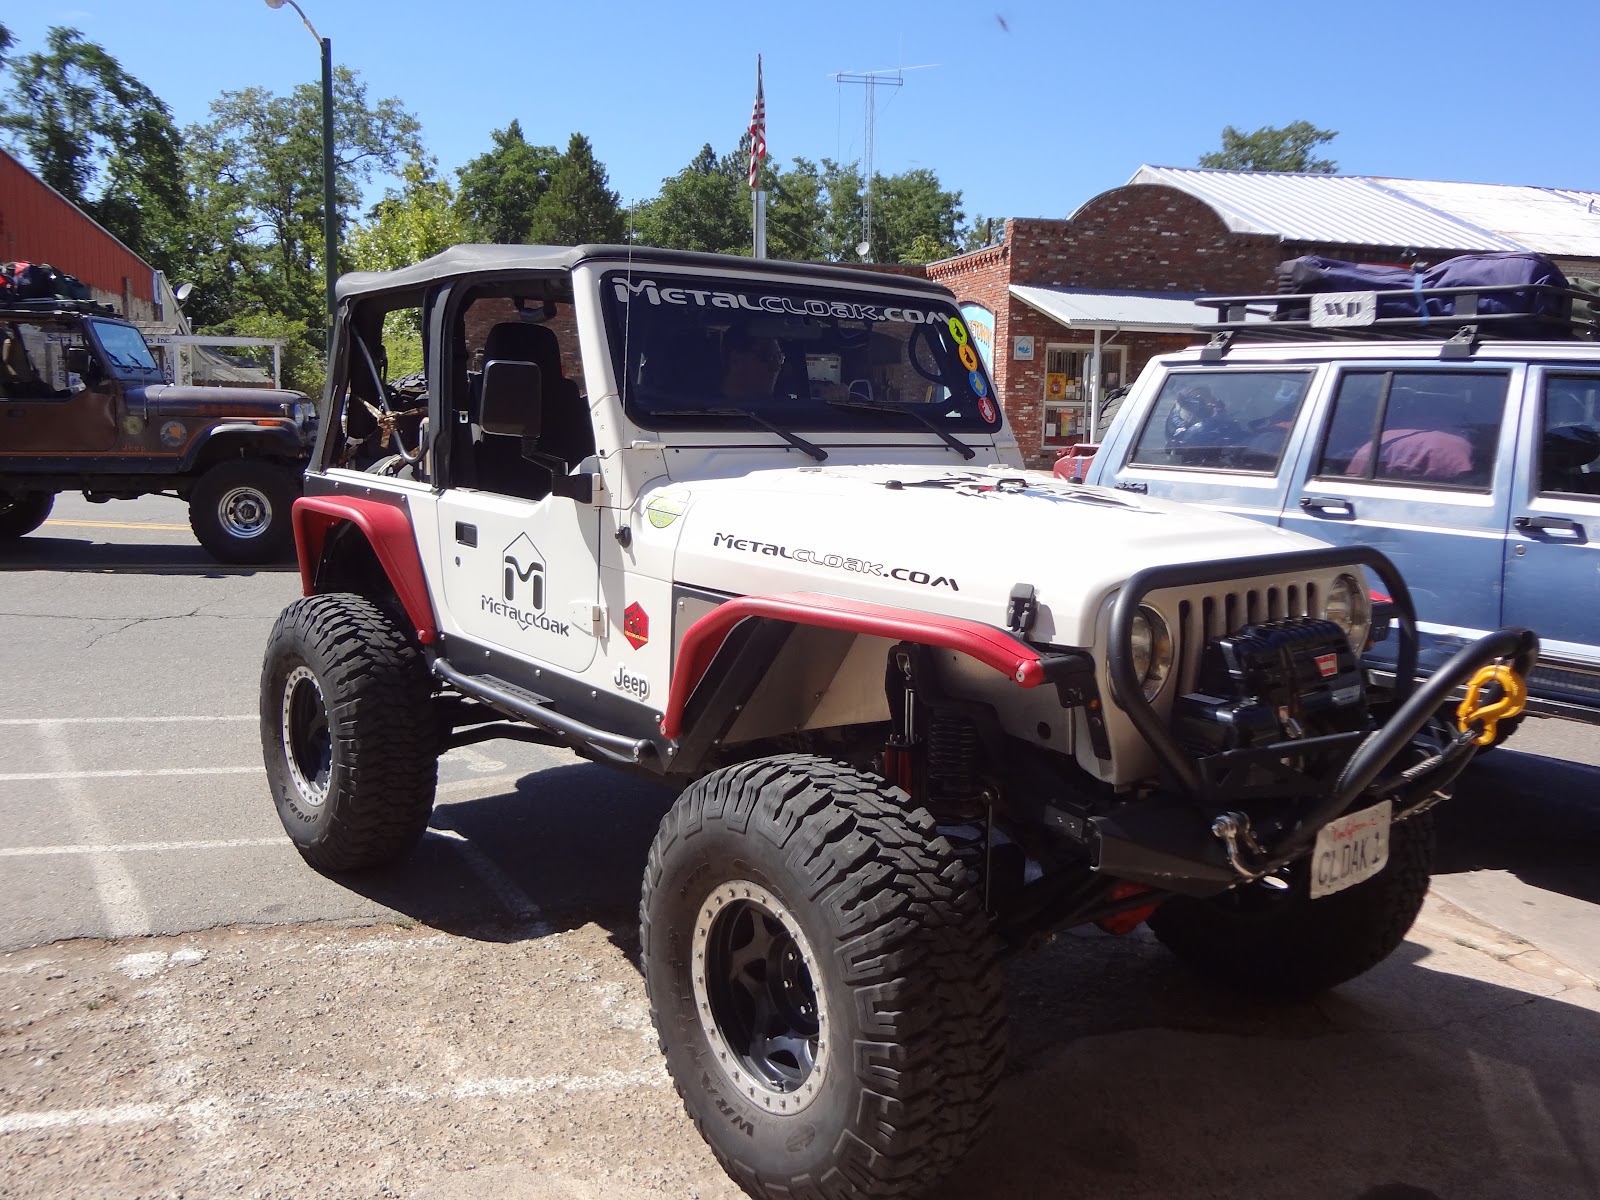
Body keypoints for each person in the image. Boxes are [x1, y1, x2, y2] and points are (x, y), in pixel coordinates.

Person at [720, 326, 788, 401]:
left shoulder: (784, 409)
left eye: (779, 357)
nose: (776, 367)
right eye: (768, 356)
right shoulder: (708, 408)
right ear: (735, 360)